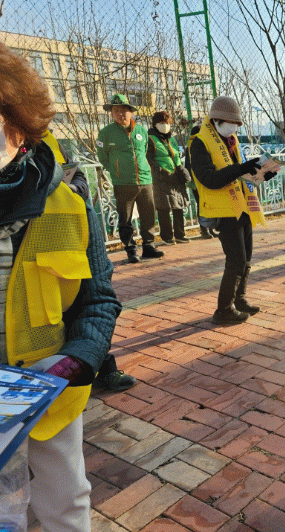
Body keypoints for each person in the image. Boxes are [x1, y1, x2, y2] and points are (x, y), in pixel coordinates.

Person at [0, 43, 122, 529]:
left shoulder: (70, 206)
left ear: (20, 125)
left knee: (65, 505)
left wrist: (77, 360)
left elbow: (99, 300)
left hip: (48, 395)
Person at [42, 131, 136, 392]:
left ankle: (98, 366)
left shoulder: (50, 144)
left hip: (62, 240)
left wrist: (70, 192)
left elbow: (80, 179)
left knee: (82, 303)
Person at [189, 96, 275, 325]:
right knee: (236, 260)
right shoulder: (200, 142)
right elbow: (209, 179)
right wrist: (240, 168)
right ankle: (223, 310)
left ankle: (240, 299)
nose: (235, 128)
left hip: (242, 206)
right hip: (222, 210)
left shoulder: (230, 140)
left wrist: (261, 173)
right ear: (217, 120)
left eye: (237, 124)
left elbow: (239, 173)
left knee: (246, 259)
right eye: (231, 123)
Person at [97, 94, 165, 263]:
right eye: (115, 111)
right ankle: (131, 250)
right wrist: (116, 171)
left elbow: (145, 151)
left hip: (145, 181)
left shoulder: (141, 131)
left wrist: (145, 169)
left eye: (123, 110)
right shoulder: (106, 133)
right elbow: (102, 157)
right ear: (111, 113)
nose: (119, 114)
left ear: (131, 112)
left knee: (148, 216)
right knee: (125, 218)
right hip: (122, 183)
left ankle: (149, 246)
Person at [146, 110, 191, 245]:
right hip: (161, 178)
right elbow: (148, 159)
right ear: (155, 124)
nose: (165, 126)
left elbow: (176, 156)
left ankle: (180, 235)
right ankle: (167, 237)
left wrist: (181, 169)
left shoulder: (172, 139)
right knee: (164, 209)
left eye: (167, 123)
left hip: (175, 177)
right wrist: (160, 171)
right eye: (162, 123)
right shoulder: (150, 139)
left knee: (178, 207)